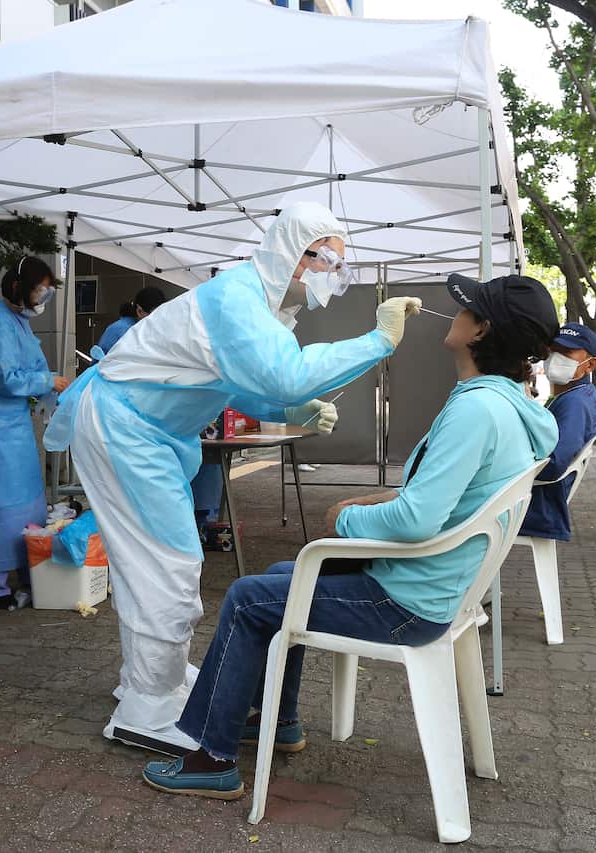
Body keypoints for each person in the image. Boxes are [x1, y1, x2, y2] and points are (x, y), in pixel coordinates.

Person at [140, 272, 559, 798]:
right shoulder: (507, 406)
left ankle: (211, 758)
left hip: (407, 602)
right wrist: (378, 501)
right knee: (278, 579)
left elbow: (418, 521)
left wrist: (344, 518)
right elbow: (447, 498)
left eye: (465, 308)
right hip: (435, 589)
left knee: (249, 599)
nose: (453, 313)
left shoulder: (477, 409)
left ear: (480, 332)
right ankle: (277, 720)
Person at [44, 201, 421, 755]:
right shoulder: (235, 298)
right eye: (328, 264)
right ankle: (147, 708)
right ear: (296, 257)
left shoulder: (258, 305)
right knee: (167, 562)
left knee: (152, 559)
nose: (334, 278)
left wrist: (290, 410)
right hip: (123, 425)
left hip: (139, 426)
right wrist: (378, 342)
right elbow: (284, 375)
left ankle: (153, 682)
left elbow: (229, 379)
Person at [0, 257, 70, 610]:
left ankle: (28, 572)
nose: (44, 296)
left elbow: (32, 367)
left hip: (14, 425)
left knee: (26, 503)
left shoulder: (19, 323)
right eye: (40, 289)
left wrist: (52, 384)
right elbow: (5, 377)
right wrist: (46, 381)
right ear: (18, 287)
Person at [519, 323, 596, 541]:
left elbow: (553, 464)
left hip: (538, 508)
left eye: (566, 352)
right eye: (553, 350)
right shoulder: (575, 395)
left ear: (590, 365)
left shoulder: (575, 403)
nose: (555, 357)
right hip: (540, 503)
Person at [94, 285, 167, 359]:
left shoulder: (146, 328)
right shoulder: (122, 330)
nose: (157, 319)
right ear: (139, 311)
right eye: (154, 315)